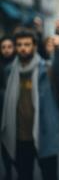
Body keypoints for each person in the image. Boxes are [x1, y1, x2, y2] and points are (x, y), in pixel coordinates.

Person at [0, 28, 59, 180]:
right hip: (20, 137)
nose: (23, 48)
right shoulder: (9, 71)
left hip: (45, 134)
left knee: (50, 176)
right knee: (24, 175)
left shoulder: (46, 69)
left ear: (34, 46)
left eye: (27, 44)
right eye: (19, 44)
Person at [0, 35, 16, 180]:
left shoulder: (19, 65)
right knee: (4, 142)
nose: (6, 50)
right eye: (3, 47)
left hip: (16, 112)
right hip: (1, 110)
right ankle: (8, 170)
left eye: (9, 47)